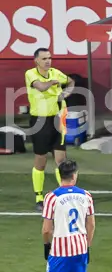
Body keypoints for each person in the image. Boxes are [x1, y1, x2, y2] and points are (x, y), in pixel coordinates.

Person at [42, 159, 93, 272]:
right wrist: (87, 246)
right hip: (80, 247)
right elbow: (91, 224)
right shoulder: (86, 195)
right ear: (75, 175)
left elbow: (46, 229)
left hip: (60, 249)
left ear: (60, 175)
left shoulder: (52, 197)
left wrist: (47, 246)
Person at [26, 48, 74, 212]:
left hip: (58, 119)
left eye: (50, 58)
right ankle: (39, 197)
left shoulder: (56, 72)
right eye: (44, 58)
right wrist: (53, 83)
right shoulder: (31, 74)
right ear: (36, 61)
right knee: (41, 160)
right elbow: (41, 87)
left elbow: (71, 81)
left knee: (61, 158)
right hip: (40, 121)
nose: (48, 61)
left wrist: (66, 93)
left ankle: (64, 193)